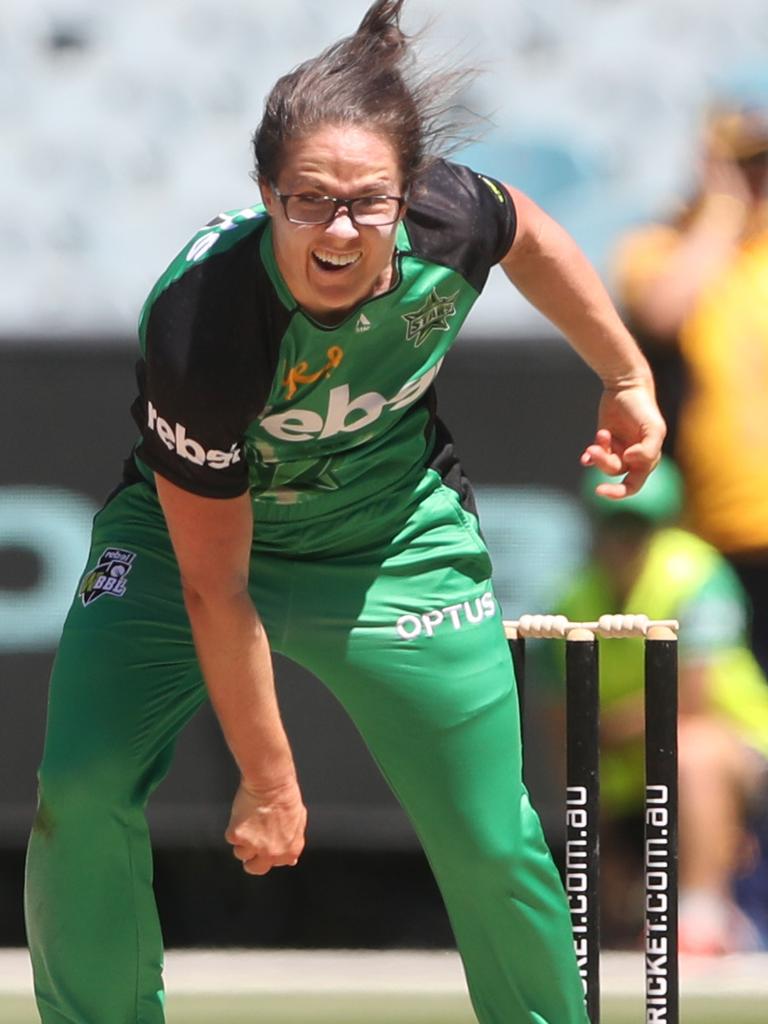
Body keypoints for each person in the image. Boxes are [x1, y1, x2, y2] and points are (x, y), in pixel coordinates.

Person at [24, 3, 666, 1021]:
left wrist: (625, 375)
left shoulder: (451, 222)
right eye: (308, 201)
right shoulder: (203, 322)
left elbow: (527, 230)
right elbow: (214, 581)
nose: (337, 231)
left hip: (391, 541)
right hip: (186, 545)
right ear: (264, 196)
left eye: (367, 204)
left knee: (492, 833)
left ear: (408, 197)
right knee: (84, 787)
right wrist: (270, 776)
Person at [550, 457, 768, 954]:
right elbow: (557, 723)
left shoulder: (698, 575)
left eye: (640, 527)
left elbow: (688, 703)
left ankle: (701, 916)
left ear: (664, 527)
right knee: (585, 770)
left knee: (692, 750)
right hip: (627, 761)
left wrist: (601, 730)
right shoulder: (570, 596)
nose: (626, 541)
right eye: (615, 525)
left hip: (737, 750)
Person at [614, 83, 768, 676]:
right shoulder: (660, 246)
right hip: (708, 533)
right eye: (744, 162)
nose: (756, 178)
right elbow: (661, 312)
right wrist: (722, 209)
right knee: (714, 706)